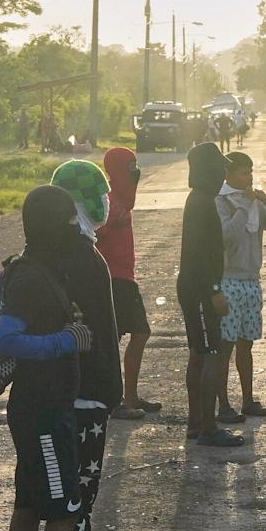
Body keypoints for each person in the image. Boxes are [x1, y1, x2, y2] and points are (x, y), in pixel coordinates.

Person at [0, 186, 110, 531]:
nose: (74, 229)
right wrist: (65, 340)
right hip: (43, 413)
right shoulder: (30, 278)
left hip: (40, 408)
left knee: (27, 506)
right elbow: (6, 340)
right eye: (67, 220)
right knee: (63, 510)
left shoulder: (39, 269)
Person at [51, 165, 135, 531]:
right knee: (80, 486)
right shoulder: (80, 255)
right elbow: (96, 329)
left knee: (79, 487)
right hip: (84, 390)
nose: (107, 203)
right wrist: (110, 386)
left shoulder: (69, 248)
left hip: (78, 387)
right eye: (100, 195)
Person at [178, 141, 243, 447]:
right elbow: (202, 255)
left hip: (194, 286)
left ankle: (195, 423)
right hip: (201, 289)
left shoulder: (199, 199)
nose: (223, 174)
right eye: (219, 168)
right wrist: (214, 291)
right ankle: (208, 427)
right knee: (211, 355)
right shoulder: (202, 203)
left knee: (198, 353)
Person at [217, 150, 266, 421]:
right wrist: (244, 206)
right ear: (228, 175)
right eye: (243, 173)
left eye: (251, 172)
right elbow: (227, 236)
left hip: (251, 280)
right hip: (228, 280)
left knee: (246, 344)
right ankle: (224, 405)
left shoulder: (255, 203)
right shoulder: (221, 201)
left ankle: (248, 400)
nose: (249, 178)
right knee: (225, 346)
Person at [98, 147, 162, 420]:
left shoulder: (121, 199)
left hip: (125, 277)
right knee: (116, 340)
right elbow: (96, 234)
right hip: (113, 280)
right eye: (130, 166)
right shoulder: (109, 202)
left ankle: (130, 396)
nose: (135, 171)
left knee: (138, 333)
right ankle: (115, 400)